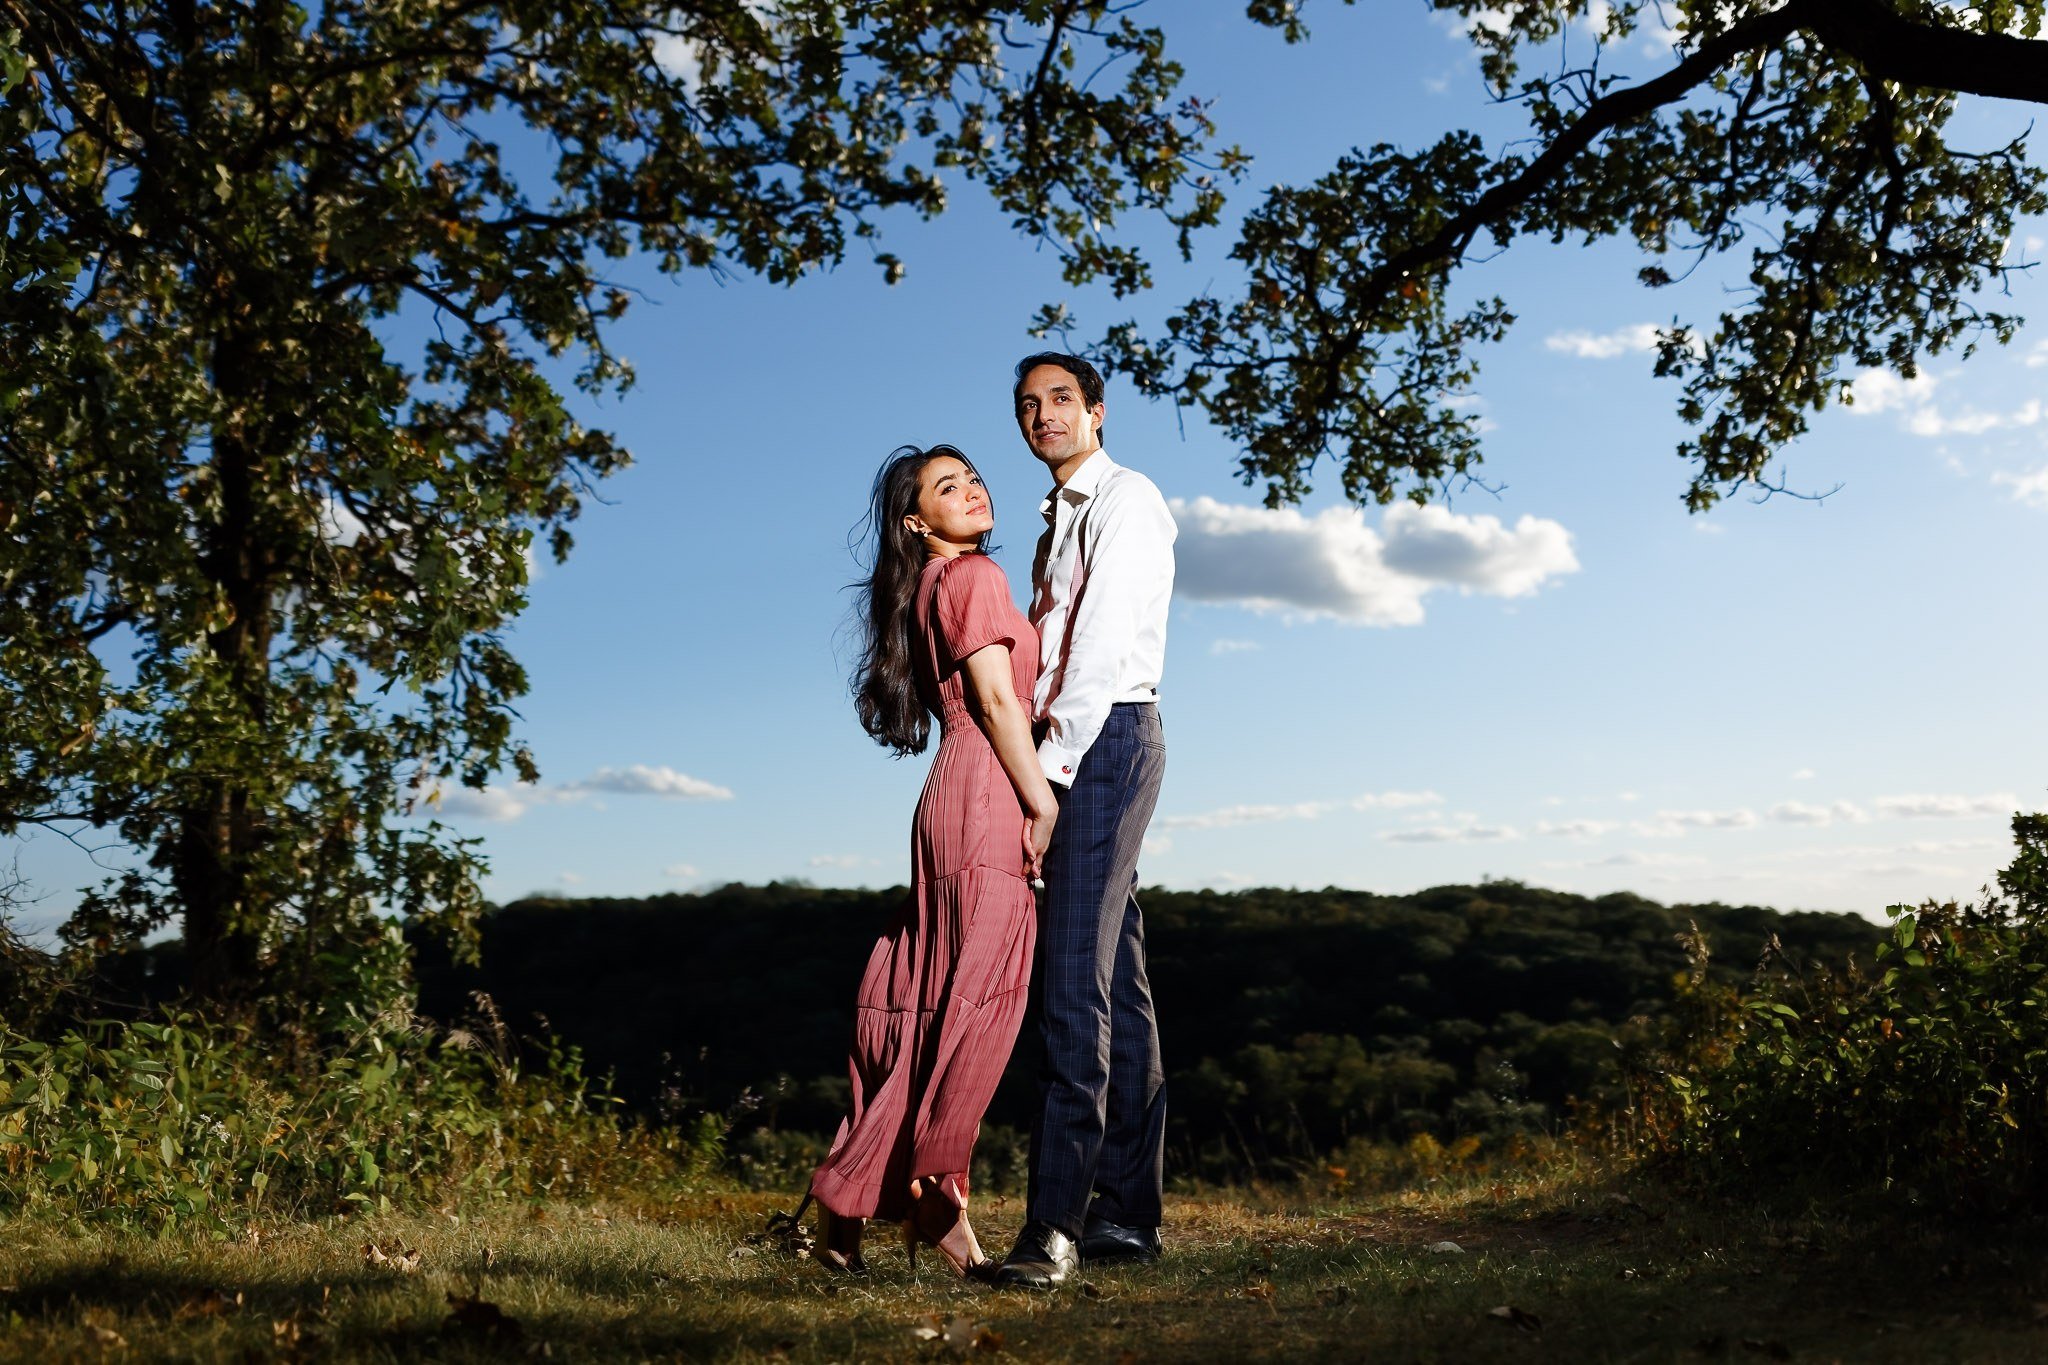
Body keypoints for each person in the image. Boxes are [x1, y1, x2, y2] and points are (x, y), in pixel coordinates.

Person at [806, 444, 1060, 1278]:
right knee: (972, 1004)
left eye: (974, 477)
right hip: (986, 793)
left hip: (951, 797)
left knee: (932, 1003)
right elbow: (994, 698)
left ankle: (848, 1213)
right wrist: (1041, 800)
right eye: (947, 487)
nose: (974, 490)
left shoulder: (927, 588)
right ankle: (940, 1210)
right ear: (918, 520)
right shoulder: (973, 578)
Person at [992, 353, 1177, 1291]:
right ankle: (1124, 1215)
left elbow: (1098, 651)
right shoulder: (1054, 520)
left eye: (1060, 400)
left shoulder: (1124, 500)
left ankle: (1053, 1230)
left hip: (1100, 741)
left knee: (1070, 986)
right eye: (1028, 406)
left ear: (1097, 412)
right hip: (1093, 740)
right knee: (1117, 980)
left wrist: (1046, 782)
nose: (1043, 416)